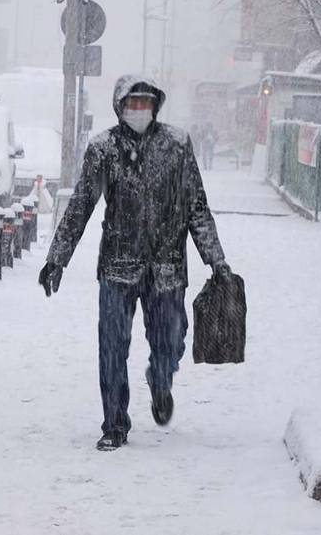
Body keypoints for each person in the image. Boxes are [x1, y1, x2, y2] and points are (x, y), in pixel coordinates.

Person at [38, 75, 232, 451]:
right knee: (111, 347)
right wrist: (56, 258)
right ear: (120, 107)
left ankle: (161, 380)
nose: (139, 111)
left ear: (156, 107)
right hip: (118, 265)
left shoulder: (176, 146)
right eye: (133, 104)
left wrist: (217, 261)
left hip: (167, 267)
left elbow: (197, 208)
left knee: (171, 342)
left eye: (146, 104)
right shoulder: (104, 149)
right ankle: (114, 423)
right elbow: (81, 206)